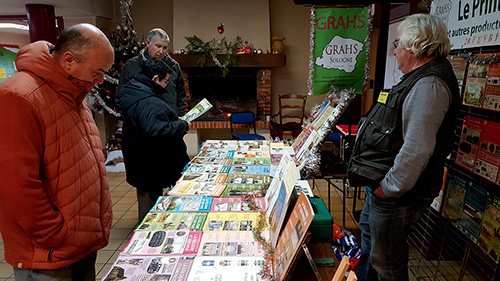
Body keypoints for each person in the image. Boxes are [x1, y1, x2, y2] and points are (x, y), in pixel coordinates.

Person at [347, 14, 460, 281]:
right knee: (371, 249)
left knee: (387, 264)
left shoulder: (429, 84)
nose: (394, 50)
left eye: (397, 43)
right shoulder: (418, 78)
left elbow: (417, 148)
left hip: (396, 195)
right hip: (383, 188)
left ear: (415, 46)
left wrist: (389, 189)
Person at [0, 23, 114, 280]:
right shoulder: (19, 96)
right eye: (98, 72)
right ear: (69, 60)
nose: (101, 80)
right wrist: (56, 233)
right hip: (50, 253)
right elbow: (15, 185)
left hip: (81, 243)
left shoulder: (72, 91)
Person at [119, 58, 190, 222]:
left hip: (141, 161)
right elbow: (157, 131)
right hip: (149, 165)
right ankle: (149, 233)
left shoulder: (136, 91)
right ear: (155, 79)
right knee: (150, 207)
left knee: (147, 198)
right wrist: (182, 125)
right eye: (165, 81)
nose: (166, 85)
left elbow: (149, 124)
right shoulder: (148, 102)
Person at [118, 28, 186, 117]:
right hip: (141, 120)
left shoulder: (173, 66)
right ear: (148, 43)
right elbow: (121, 96)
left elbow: (181, 95)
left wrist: (179, 114)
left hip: (169, 120)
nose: (161, 51)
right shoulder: (132, 65)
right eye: (158, 46)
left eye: (164, 48)